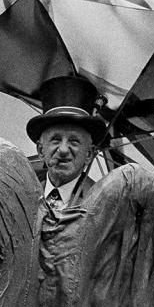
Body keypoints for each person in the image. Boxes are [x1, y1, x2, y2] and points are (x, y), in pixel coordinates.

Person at [26, 74, 107, 210]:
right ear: (40, 150)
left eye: (74, 141)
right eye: (55, 140)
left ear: (89, 154)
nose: (63, 150)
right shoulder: (21, 193)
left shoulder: (102, 206)